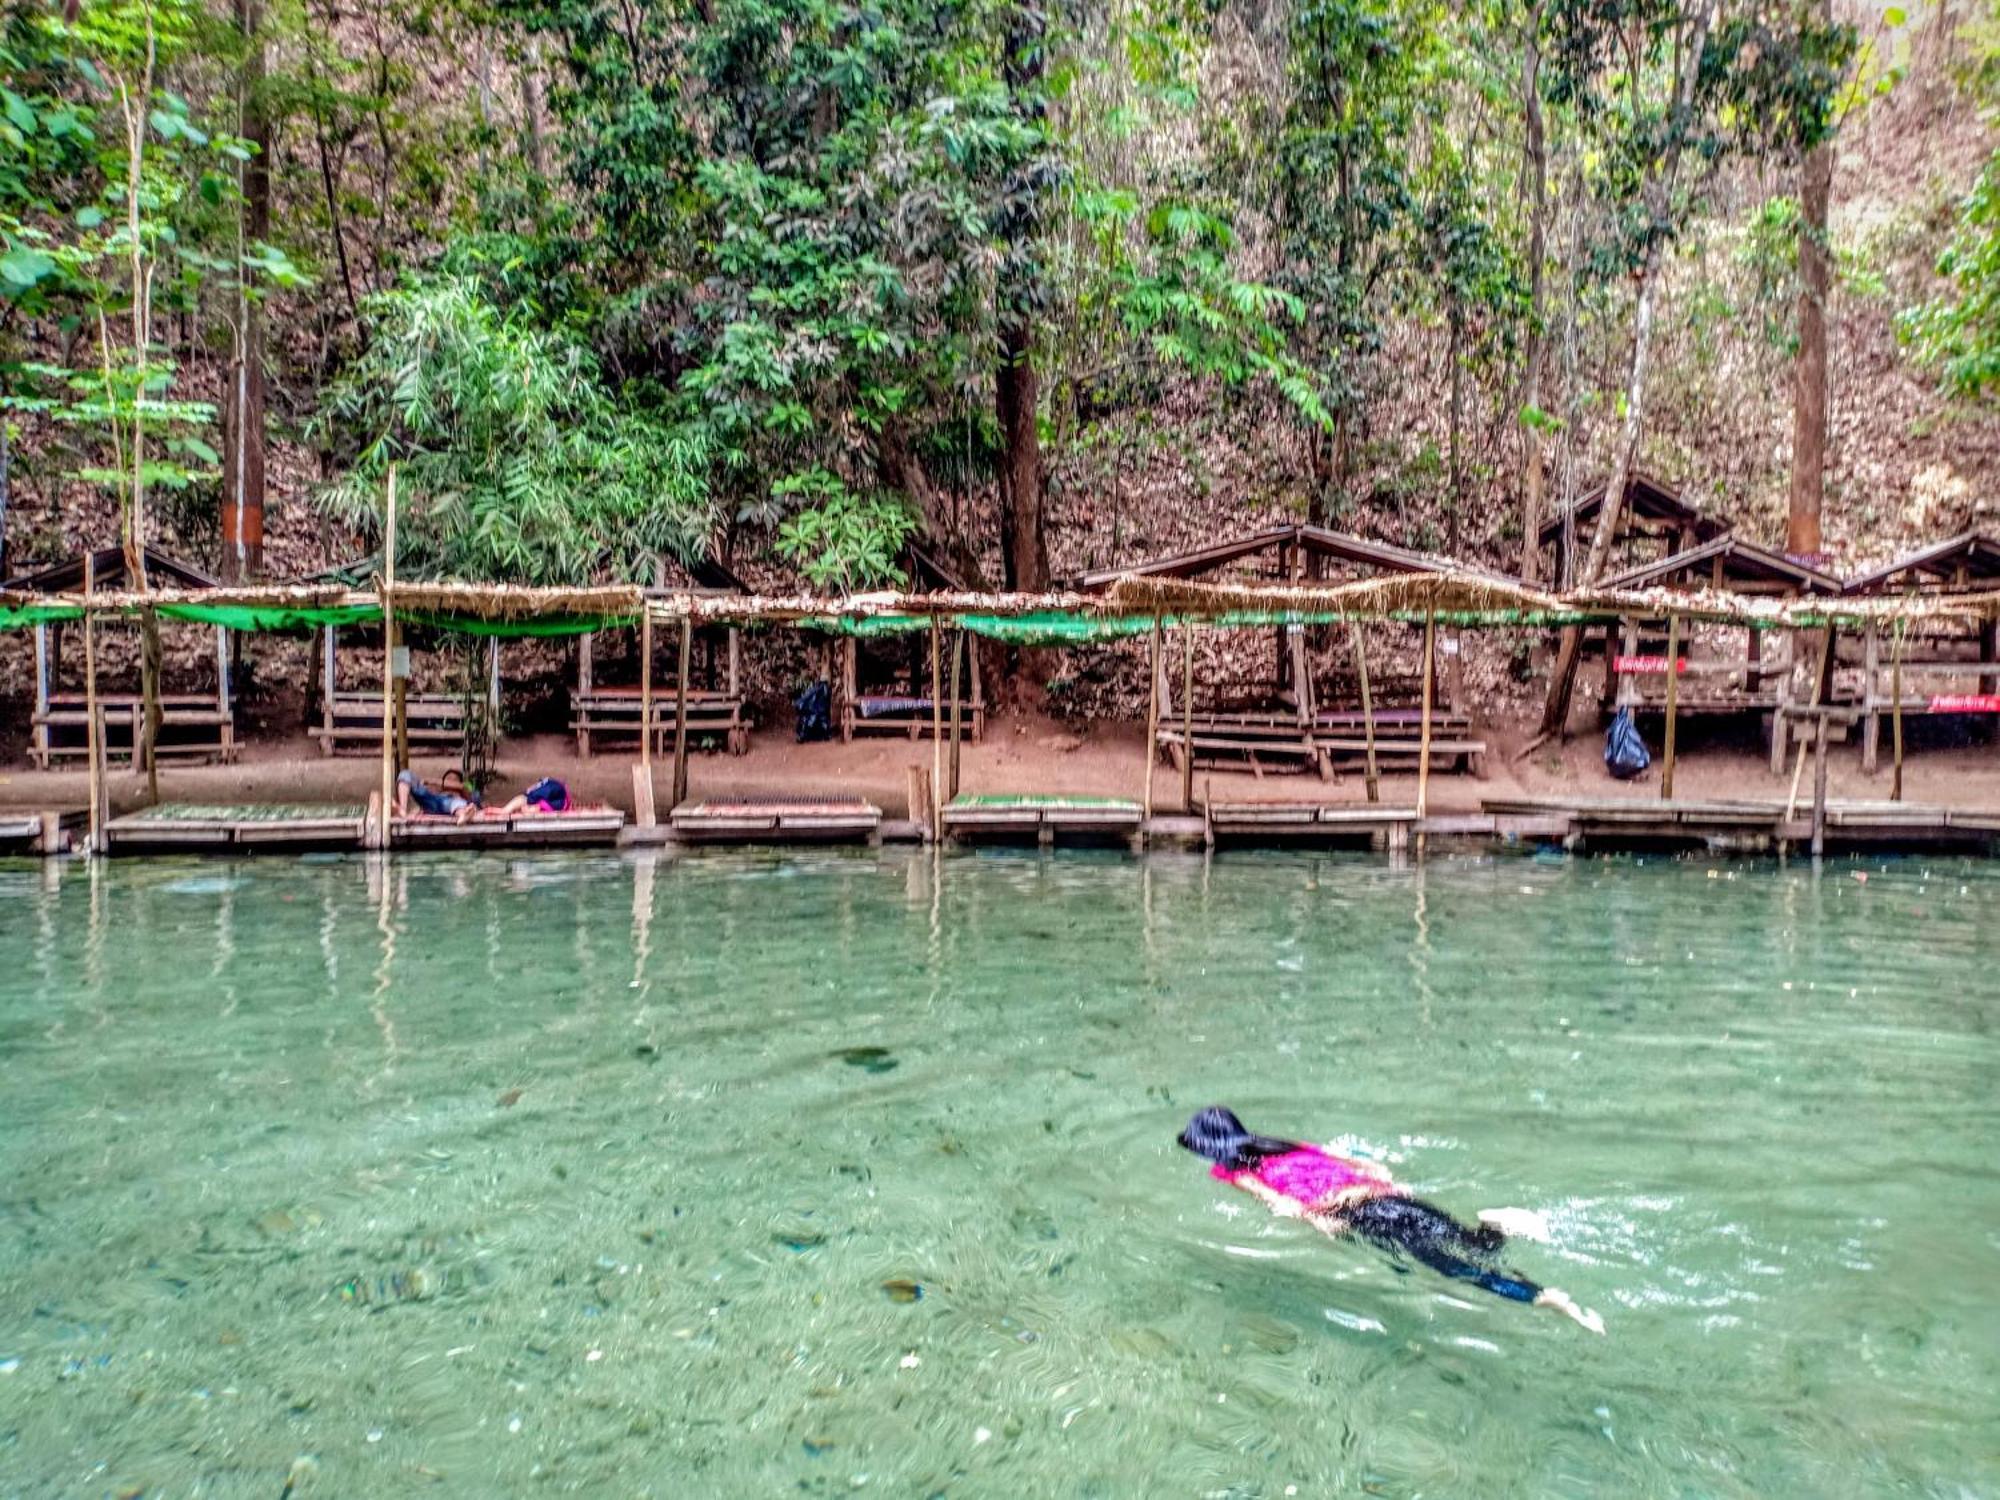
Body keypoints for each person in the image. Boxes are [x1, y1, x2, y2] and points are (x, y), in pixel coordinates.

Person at [1177, 1106, 1603, 1333]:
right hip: (1383, 1195)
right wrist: (1385, 1179)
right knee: (1472, 1244)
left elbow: (1279, 1203)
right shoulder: (1284, 1144)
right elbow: (1359, 1161)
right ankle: (1496, 1225)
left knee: (1453, 1268)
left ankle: (1541, 1298)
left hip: (1357, 1212)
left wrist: (1319, 1223)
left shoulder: (1231, 1170)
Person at [396, 767, 481, 822]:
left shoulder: (463, 793)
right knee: (405, 774)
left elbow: (462, 787)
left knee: (456, 803)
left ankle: (464, 814)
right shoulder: (437, 794)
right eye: (448, 779)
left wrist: (432, 781)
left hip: (454, 805)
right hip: (435, 802)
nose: (449, 781)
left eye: (453, 779)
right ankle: (402, 809)